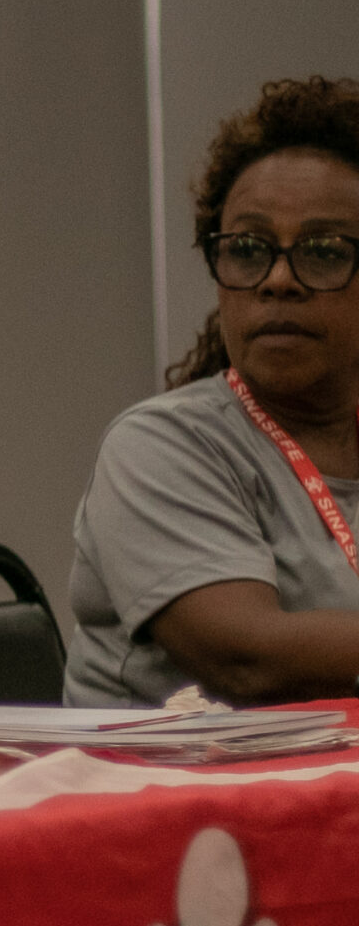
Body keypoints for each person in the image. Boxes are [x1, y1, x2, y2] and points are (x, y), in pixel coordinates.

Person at [68, 76, 359, 707]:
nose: (278, 279)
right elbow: (246, 659)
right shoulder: (161, 445)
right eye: (249, 249)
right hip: (166, 773)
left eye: (323, 251)